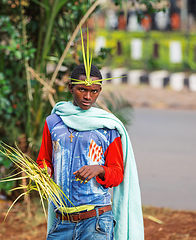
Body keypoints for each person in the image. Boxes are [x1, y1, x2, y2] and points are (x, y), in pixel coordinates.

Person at [37, 63, 144, 240]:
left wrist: (100, 169)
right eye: (81, 90)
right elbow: (44, 160)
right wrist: (43, 171)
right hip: (61, 220)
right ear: (71, 88)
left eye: (94, 91)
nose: (88, 96)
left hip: (96, 221)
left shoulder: (107, 127)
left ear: (99, 90)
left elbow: (117, 174)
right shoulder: (53, 122)